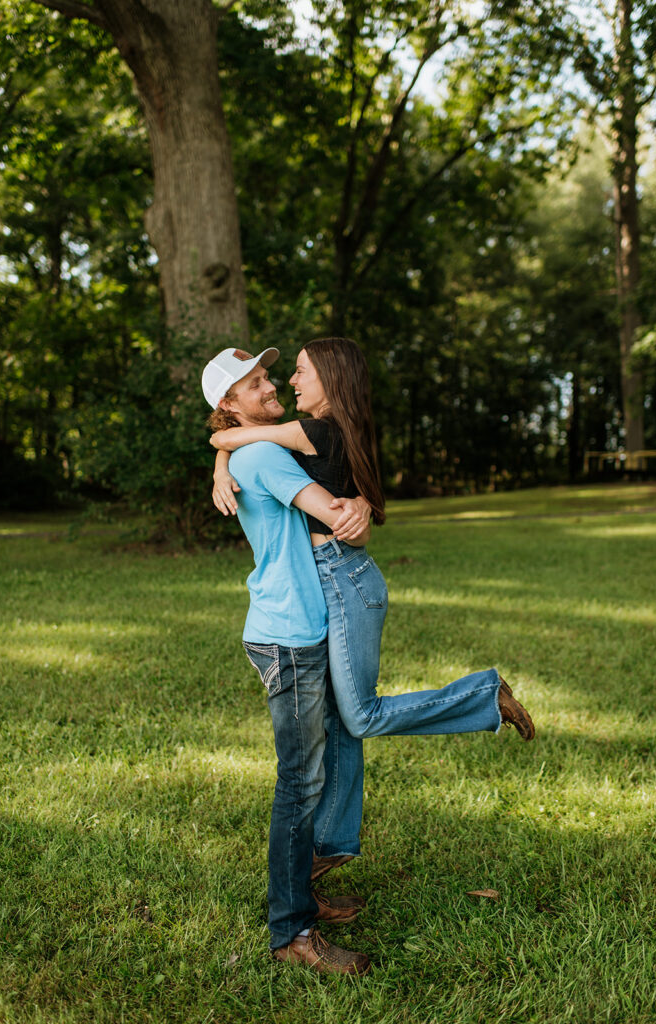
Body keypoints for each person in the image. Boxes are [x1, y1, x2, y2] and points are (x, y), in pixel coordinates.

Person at [211, 337, 535, 744]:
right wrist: (222, 467)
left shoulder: (310, 431)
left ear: (331, 379)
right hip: (338, 572)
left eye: (299, 371)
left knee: (360, 716)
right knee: (344, 720)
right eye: (260, 381)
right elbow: (241, 441)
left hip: (341, 572)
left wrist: (221, 461)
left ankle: (482, 695)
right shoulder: (338, 429)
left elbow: (225, 438)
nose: (286, 381)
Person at [201, 345, 371, 976]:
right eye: (256, 382)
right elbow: (331, 514)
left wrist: (220, 454)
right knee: (300, 783)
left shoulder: (250, 449)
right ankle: (291, 931)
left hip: (296, 622)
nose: (271, 386)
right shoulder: (267, 454)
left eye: (270, 375)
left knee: (321, 765)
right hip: (290, 634)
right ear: (230, 403)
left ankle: (306, 896)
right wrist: (354, 510)